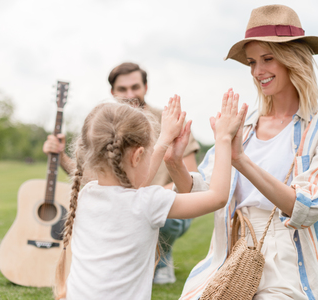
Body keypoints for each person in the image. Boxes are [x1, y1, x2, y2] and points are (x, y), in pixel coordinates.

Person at [172, 5, 318, 300]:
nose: (257, 71)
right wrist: (174, 160)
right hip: (234, 249)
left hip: (287, 256)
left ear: (293, 60)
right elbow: (200, 191)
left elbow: (306, 207)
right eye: (252, 62)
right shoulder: (244, 125)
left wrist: (240, 159)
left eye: (268, 59)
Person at [53, 95, 248, 299]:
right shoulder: (149, 202)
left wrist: (163, 141)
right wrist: (224, 138)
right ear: (137, 157)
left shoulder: (88, 193)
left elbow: (133, 185)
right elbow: (216, 197)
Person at [43, 62, 200, 284]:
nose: (130, 94)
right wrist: (60, 156)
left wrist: (148, 195)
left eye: (135, 87)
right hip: (124, 203)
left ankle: (162, 257)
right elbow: (92, 180)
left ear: (146, 87)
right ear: (112, 92)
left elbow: (192, 181)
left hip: (165, 203)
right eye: (122, 89)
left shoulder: (169, 123)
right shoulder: (107, 126)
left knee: (149, 208)